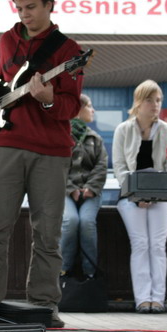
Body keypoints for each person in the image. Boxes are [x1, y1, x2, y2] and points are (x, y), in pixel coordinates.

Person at [0, 0, 84, 328]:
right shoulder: (7, 39)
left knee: (47, 233)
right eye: (19, 8)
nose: (24, 14)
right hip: (6, 143)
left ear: (50, 4)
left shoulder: (69, 51)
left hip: (51, 151)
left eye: (31, 7)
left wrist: (49, 100)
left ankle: (44, 306)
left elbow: (71, 107)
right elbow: (4, 76)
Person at [113, 80, 167, 314]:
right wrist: (136, 194)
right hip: (131, 196)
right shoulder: (123, 129)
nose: (155, 105)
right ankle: (142, 299)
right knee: (140, 244)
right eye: (150, 100)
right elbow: (119, 167)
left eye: (158, 100)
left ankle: (158, 299)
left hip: (162, 196)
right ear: (139, 102)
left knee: (158, 246)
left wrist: (156, 195)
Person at [60, 94, 107, 279]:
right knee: (70, 222)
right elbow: (58, 165)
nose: (93, 110)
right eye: (89, 106)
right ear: (78, 109)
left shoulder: (95, 139)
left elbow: (101, 166)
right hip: (65, 192)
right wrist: (71, 188)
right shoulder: (62, 136)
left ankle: (90, 272)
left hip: (91, 193)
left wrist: (90, 188)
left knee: (87, 223)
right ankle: (63, 270)